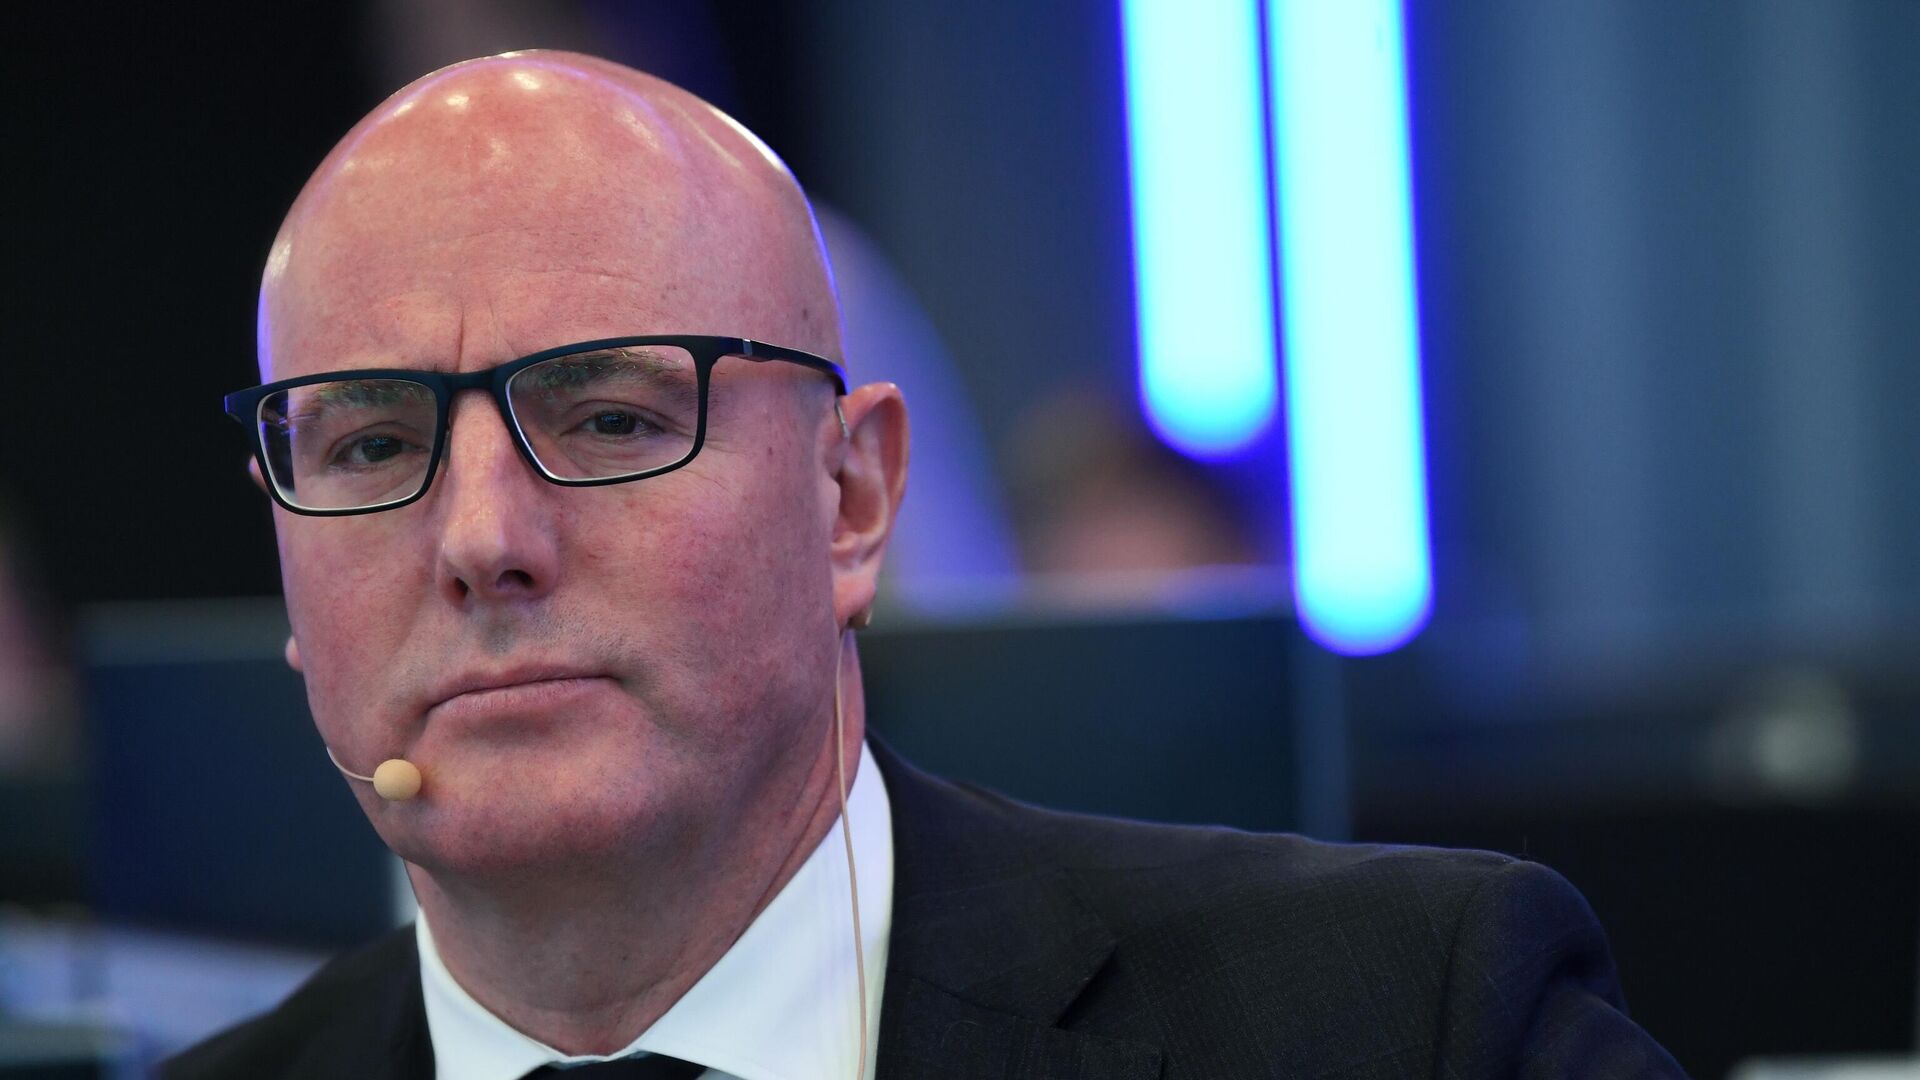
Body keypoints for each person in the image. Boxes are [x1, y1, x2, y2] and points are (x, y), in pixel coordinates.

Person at [165, 51, 1686, 1079]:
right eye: (372, 446)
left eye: (613, 418)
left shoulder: (1414, 1022)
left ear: (852, 499)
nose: (483, 540)